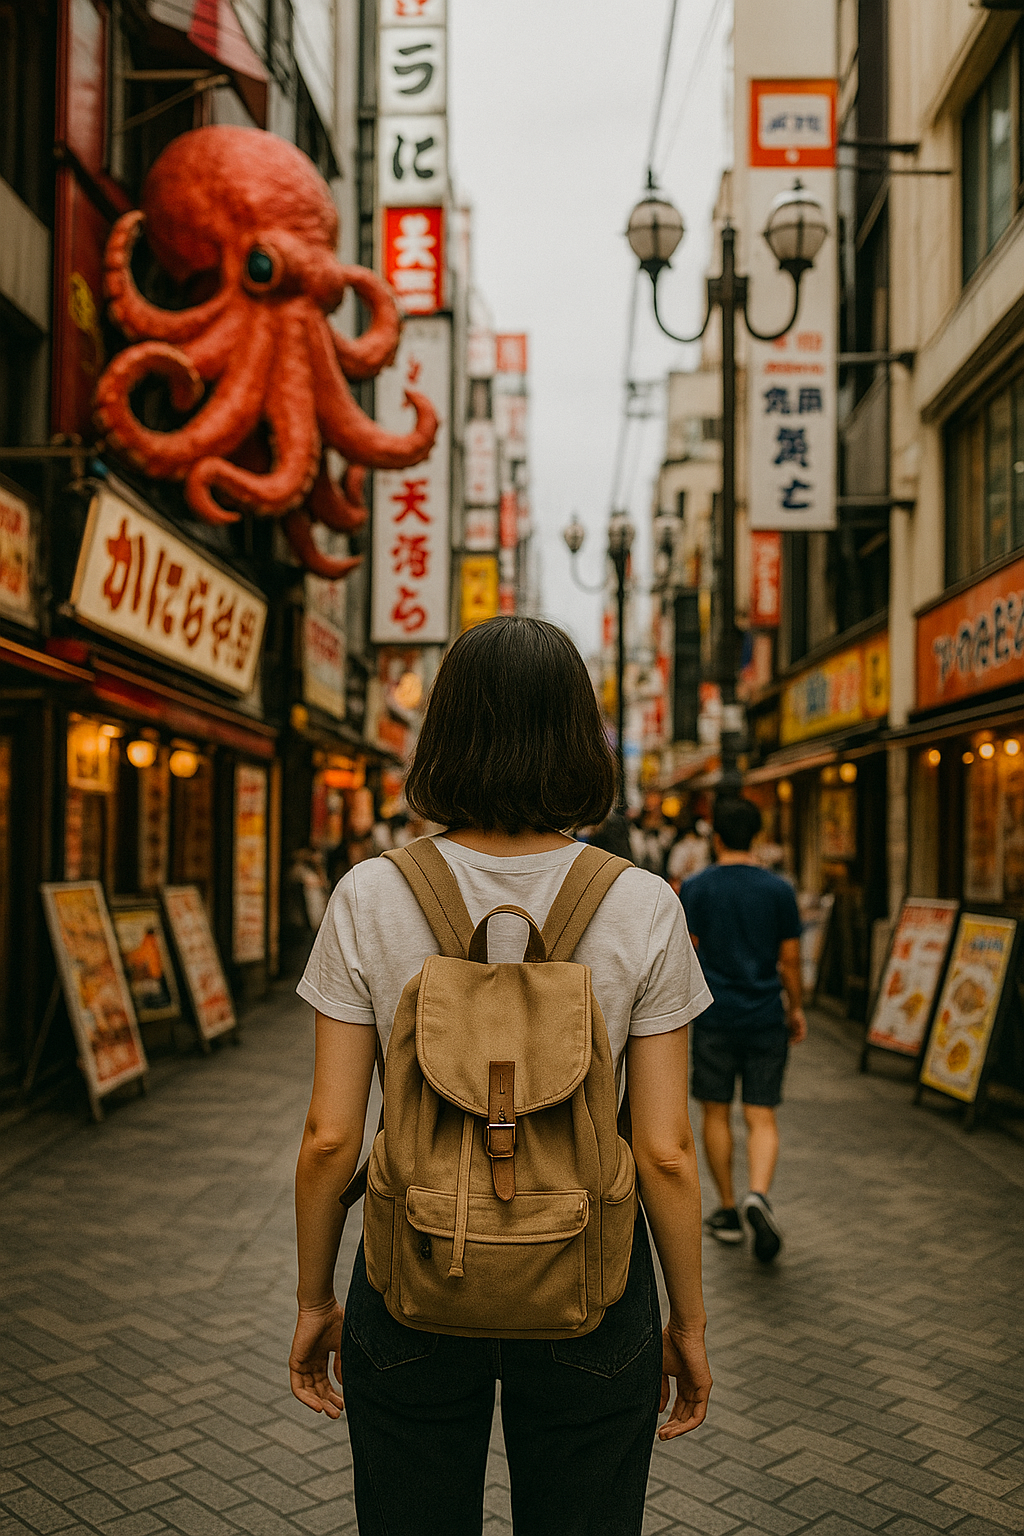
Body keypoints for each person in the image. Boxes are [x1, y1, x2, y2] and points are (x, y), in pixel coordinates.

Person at [289, 615, 713, 1536]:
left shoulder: (370, 893)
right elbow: (669, 1152)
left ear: (442, 735)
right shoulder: (642, 903)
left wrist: (315, 1297)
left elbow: (328, 1136)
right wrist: (687, 1323)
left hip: (411, 1273)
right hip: (592, 1287)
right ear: (578, 740)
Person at [680, 796, 805, 1264]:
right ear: (756, 836)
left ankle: (728, 1210)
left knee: (715, 1113)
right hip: (764, 1015)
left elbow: (686, 952)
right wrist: (796, 1009)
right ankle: (759, 1194)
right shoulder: (779, 889)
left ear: (715, 837)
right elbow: (789, 961)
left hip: (714, 1015)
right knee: (761, 1114)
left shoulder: (696, 887)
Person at [666, 818, 710, 894]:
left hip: (701, 886)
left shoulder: (704, 847)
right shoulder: (680, 848)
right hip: (683, 886)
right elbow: (673, 874)